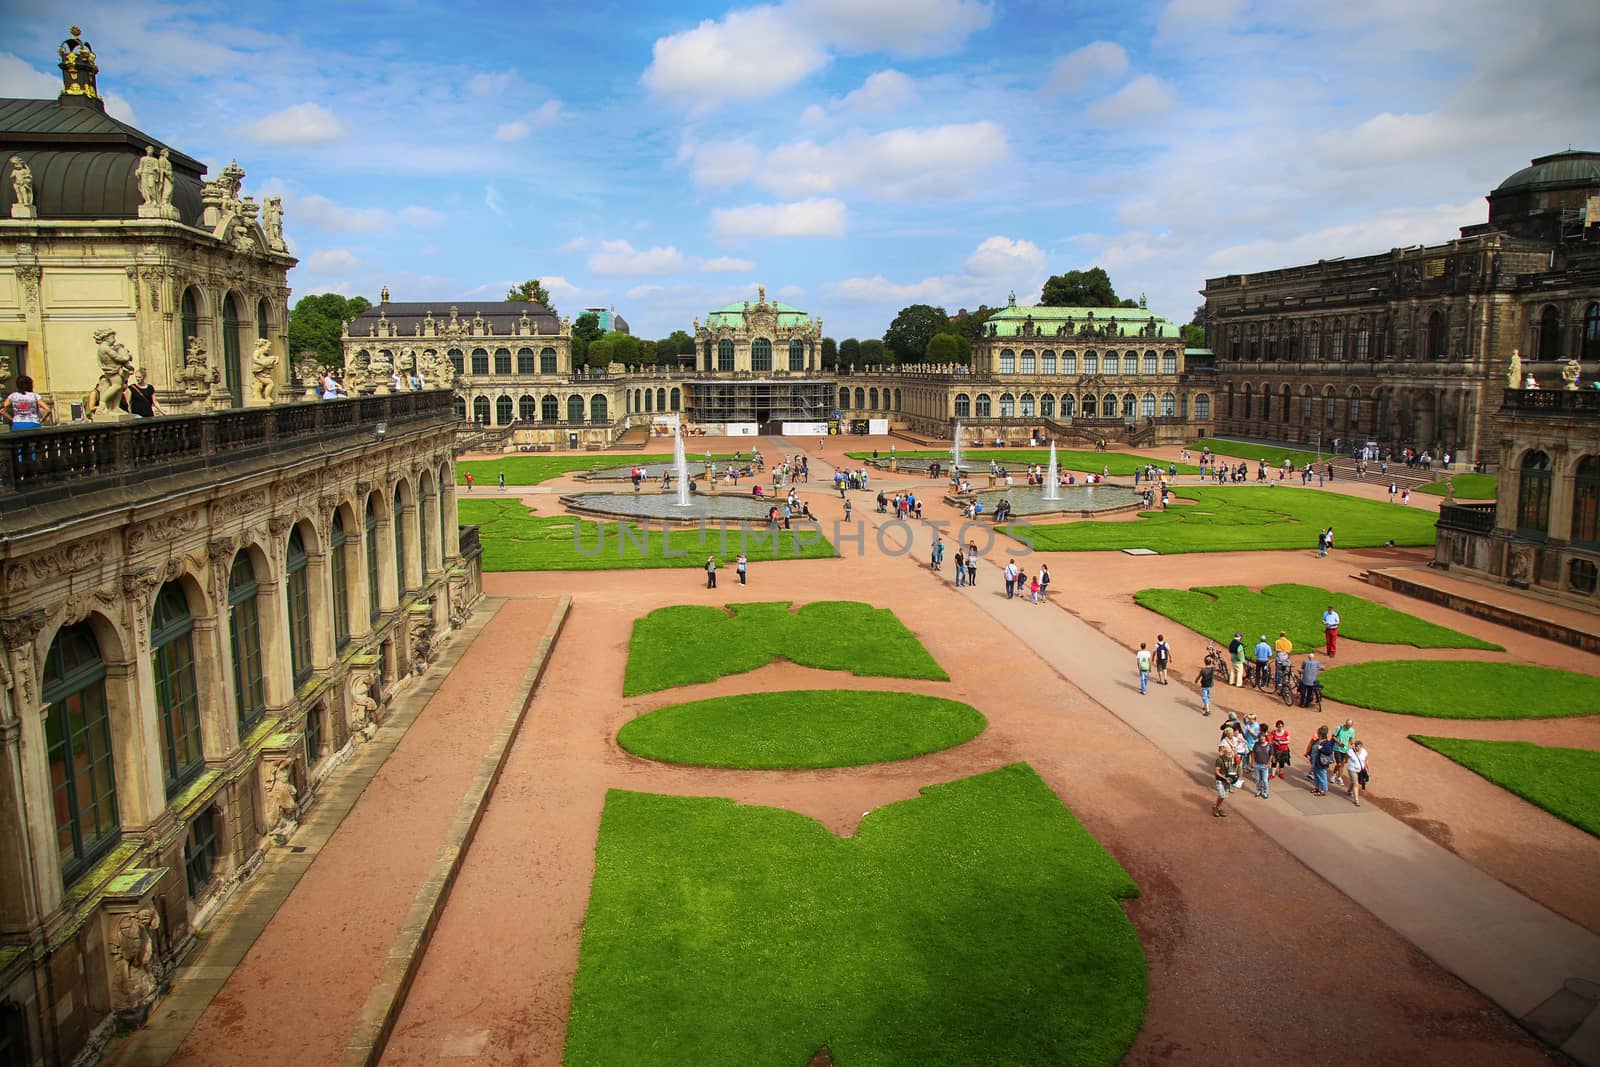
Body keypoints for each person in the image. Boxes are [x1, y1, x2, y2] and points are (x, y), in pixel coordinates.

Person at [1305, 725, 1335, 796]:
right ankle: (1317, 787)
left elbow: (1328, 751)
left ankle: (1323, 790)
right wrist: (1309, 755)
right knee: (1316, 775)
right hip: (1315, 762)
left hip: (1321, 763)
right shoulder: (1318, 741)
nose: (1317, 734)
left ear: (1321, 734)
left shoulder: (1326, 743)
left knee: (1322, 776)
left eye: (1318, 733)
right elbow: (1312, 748)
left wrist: (1321, 748)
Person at [1331, 718, 1355, 786]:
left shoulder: (1352, 730)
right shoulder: (1339, 728)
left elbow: (1350, 739)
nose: (1348, 727)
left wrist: (1352, 744)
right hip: (1337, 748)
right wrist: (1339, 742)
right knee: (1339, 764)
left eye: (1349, 726)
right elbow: (1333, 736)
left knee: (1342, 764)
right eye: (1347, 725)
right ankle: (1334, 775)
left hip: (1345, 749)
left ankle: (1339, 778)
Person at [1213, 743, 1234, 819]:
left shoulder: (1230, 760)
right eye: (1228, 753)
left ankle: (1217, 807)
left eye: (1230, 753)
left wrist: (1233, 781)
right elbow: (1217, 772)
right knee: (1221, 795)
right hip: (1220, 780)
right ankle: (1216, 808)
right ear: (1224, 752)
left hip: (1227, 781)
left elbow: (1231, 770)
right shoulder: (1219, 760)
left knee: (1224, 796)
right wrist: (1225, 778)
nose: (1230, 754)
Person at [1346, 740, 1370, 806]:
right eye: (1357, 747)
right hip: (1352, 770)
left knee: (1355, 782)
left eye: (1360, 747)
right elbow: (1346, 759)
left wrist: (1367, 769)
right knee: (1356, 784)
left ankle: (1349, 790)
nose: (1358, 748)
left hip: (1361, 770)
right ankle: (1356, 800)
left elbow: (1366, 760)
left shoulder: (1364, 752)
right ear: (1355, 746)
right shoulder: (1350, 752)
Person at [1252, 727, 1273, 798]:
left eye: (1263, 737)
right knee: (1258, 779)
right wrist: (1252, 762)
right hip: (1257, 764)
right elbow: (1253, 753)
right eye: (1260, 738)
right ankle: (1259, 790)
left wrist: (1269, 763)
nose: (1262, 739)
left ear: (1265, 738)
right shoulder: (1256, 744)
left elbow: (1271, 755)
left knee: (1265, 780)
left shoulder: (1269, 745)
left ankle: (1265, 792)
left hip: (1265, 765)